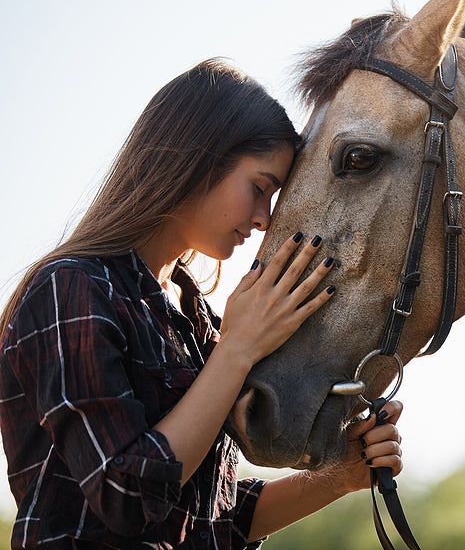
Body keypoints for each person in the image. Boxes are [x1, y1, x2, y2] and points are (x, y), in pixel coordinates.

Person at [0, 58, 403, 549]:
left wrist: (340, 477)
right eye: (259, 189)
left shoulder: (195, 318)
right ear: (197, 160)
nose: (263, 220)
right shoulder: (71, 290)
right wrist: (237, 350)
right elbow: (125, 494)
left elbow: (219, 518)